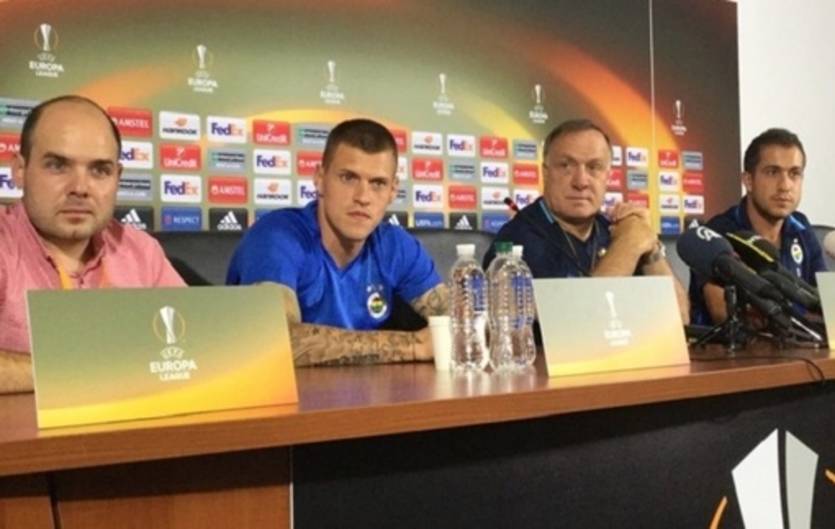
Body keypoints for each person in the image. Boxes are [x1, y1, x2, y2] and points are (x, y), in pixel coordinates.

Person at [0, 95, 184, 394]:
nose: (80, 188)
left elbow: (197, 346)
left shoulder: (141, 252)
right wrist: (87, 373)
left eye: (99, 170)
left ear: (117, 177)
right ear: (20, 170)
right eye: (57, 166)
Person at [227, 118, 447, 366]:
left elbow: (464, 322)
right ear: (320, 178)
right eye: (348, 178)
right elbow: (272, 340)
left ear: (393, 191)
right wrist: (414, 346)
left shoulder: (396, 245)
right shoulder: (277, 238)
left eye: (378, 183)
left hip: (373, 389)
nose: (363, 197)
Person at [483, 118, 689, 322]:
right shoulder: (516, 241)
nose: (581, 182)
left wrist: (650, 248)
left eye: (594, 167)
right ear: (545, 173)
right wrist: (627, 247)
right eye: (566, 166)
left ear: (608, 176)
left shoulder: (615, 230)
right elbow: (585, 324)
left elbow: (679, 319)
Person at [689, 128, 826, 324]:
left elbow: (825, 303)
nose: (785, 185)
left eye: (794, 173)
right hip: (738, 344)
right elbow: (722, 311)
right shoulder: (718, 233)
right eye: (772, 172)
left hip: (799, 342)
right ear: (748, 181)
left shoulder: (801, 227)